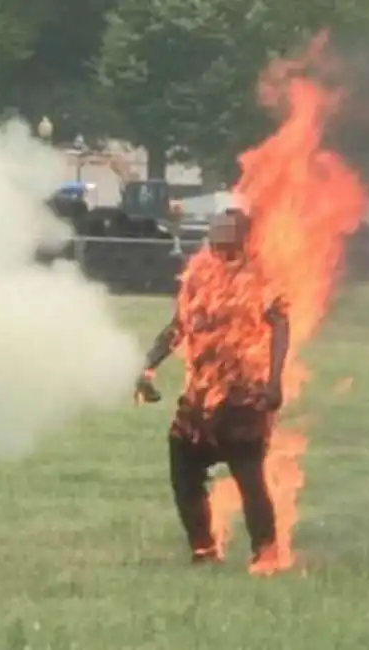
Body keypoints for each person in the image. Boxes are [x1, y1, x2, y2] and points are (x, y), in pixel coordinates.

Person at [135, 207, 290, 573]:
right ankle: (202, 549)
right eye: (215, 225)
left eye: (226, 227)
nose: (217, 232)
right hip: (200, 395)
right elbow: (178, 326)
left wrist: (273, 383)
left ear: (244, 236)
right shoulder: (199, 274)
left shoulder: (261, 276)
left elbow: (280, 327)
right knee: (183, 468)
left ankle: (266, 553)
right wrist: (147, 367)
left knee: (249, 478)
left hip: (242, 393)